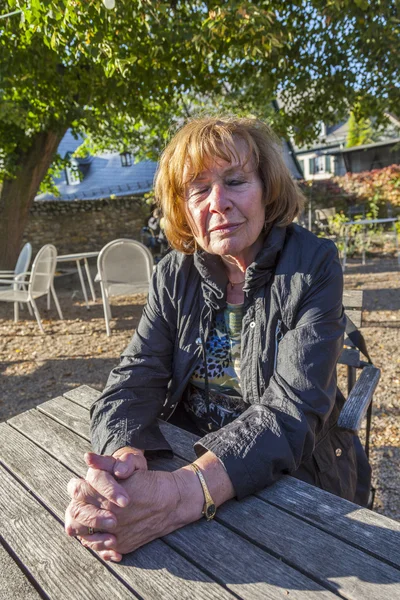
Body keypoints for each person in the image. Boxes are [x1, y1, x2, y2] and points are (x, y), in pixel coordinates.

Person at [65, 116, 371, 562]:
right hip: (185, 457)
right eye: (198, 189)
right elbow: (136, 375)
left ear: (267, 187)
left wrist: (182, 492)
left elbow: (293, 407)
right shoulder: (175, 272)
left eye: (234, 180)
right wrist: (122, 461)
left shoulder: (314, 264)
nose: (218, 203)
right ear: (183, 207)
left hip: (293, 471)